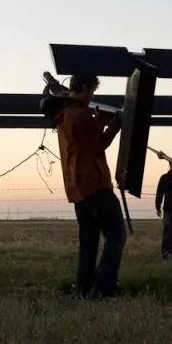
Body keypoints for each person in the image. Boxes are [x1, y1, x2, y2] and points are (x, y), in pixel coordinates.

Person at [53, 73, 126, 299]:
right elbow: (98, 145)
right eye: (92, 89)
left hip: (77, 190)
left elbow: (87, 135)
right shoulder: (82, 116)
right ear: (84, 87)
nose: (93, 94)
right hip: (95, 185)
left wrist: (101, 121)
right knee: (116, 233)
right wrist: (115, 125)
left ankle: (84, 289)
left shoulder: (66, 115)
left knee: (89, 243)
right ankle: (104, 288)